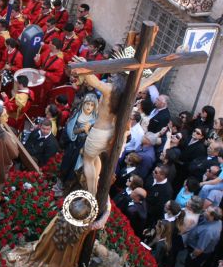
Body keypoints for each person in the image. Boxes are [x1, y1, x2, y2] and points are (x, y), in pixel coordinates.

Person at [73, 56, 175, 196]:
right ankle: (94, 186)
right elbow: (155, 76)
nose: (112, 75)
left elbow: (92, 80)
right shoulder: (133, 88)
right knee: (96, 158)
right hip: (114, 134)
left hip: (99, 132)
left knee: (88, 159)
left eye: (114, 73)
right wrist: (172, 60)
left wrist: (85, 65)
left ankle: (91, 192)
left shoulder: (109, 89)